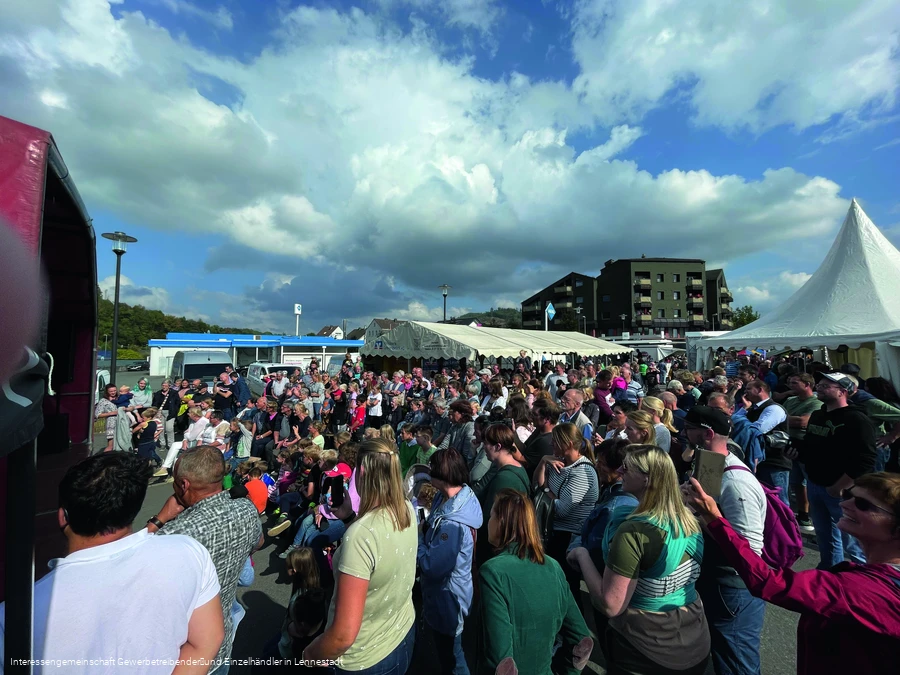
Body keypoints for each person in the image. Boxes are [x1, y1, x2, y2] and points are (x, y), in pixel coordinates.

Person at [0, 453, 224, 672]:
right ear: (132, 509)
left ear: (62, 517)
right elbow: (206, 642)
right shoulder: (187, 552)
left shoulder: (13, 616)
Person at [683, 472, 900, 675]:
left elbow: (767, 582)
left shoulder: (860, 590)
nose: (844, 504)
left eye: (862, 504)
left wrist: (713, 517)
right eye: (848, 495)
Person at [567, 446, 710, 675]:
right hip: (695, 640)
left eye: (628, 467)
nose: (621, 470)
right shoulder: (689, 518)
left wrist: (582, 556)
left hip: (646, 649)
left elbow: (611, 605)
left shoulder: (634, 532)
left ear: (647, 478)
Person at [302, 437, 418, 674]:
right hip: (401, 633)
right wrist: (347, 517)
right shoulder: (406, 508)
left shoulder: (361, 535)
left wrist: (310, 654)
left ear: (362, 471)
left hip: (366, 657)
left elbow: (343, 636)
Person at [149, 445, 263, 674]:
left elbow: (134, 562)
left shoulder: (175, 533)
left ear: (184, 485)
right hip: (220, 645)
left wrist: (159, 519)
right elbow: (258, 542)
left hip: (182, 654)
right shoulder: (246, 509)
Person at [682, 406, 767, 675]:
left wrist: (704, 516)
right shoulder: (710, 464)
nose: (684, 433)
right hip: (716, 580)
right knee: (722, 653)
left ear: (706, 433)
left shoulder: (735, 480)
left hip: (734, 586)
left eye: (689, 428)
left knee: (736, 660)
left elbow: (749, 550)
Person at [477, 488, 593, 675]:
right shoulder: (553, 566)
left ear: (502, 523)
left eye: (491, 516)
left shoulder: (493, 571)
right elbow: (581, 640)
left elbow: (499, 657)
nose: (488, 522)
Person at [793, 373, 877, 569]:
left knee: (854, 541)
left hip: (842, 490)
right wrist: (796, 453)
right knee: (825, 536)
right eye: (820, 385)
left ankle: (868, 580)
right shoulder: (818, 415)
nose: (820, 388)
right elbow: (811, 447)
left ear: (843, 391)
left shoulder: (857, 419)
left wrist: (840, 486)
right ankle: (831, 573)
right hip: (815, 484)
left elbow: (866, 459)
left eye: (826, 386)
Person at [417, 448, 483, 675]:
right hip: (451, 592)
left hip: (448, 597)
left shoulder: (452, 525)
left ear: (441, 475)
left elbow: (432, 566)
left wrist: (418, 538)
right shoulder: (457, 497)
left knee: (453, 657)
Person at [533, 423, 599, 599]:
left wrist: (546, 490)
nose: (551, 445)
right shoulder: (557, 461)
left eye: (555, 442)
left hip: (568, 537)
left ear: (568, 444)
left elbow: (562, 509)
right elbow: (536, 484)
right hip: (552, 532)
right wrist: (542, 462)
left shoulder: (582, 472)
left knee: (567, 589)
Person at [475, 423, 530, 564]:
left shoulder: (504, 478)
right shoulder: (517, 468)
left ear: (498, 446)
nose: (484, 447)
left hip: (497, 551)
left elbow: (490, 518)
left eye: (486, 443)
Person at [521, 397, 560, 480]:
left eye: (534, 414)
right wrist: (513, 435)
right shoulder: (539, 430)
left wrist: (508, 442)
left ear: (546, 419)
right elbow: (524, 447)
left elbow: (523, 461)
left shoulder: (547, 441)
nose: (531, 417)